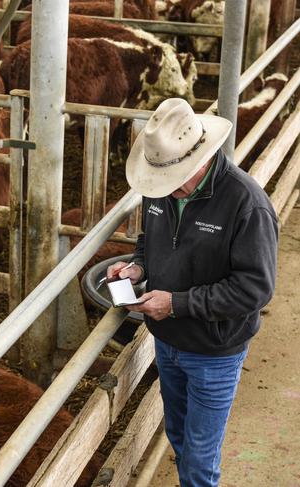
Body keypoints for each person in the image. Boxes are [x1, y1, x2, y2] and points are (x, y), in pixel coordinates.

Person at [106, 98, 278, 487]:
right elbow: (151, 238)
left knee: (200, 460)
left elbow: (255, 289)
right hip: (166, 341)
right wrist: (138, 266)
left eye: (172, 178)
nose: (165, 189)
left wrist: (177, 303)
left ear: (200, 158)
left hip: (215, 351)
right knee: (180, 437)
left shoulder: (246, 205)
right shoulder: (160, 187)